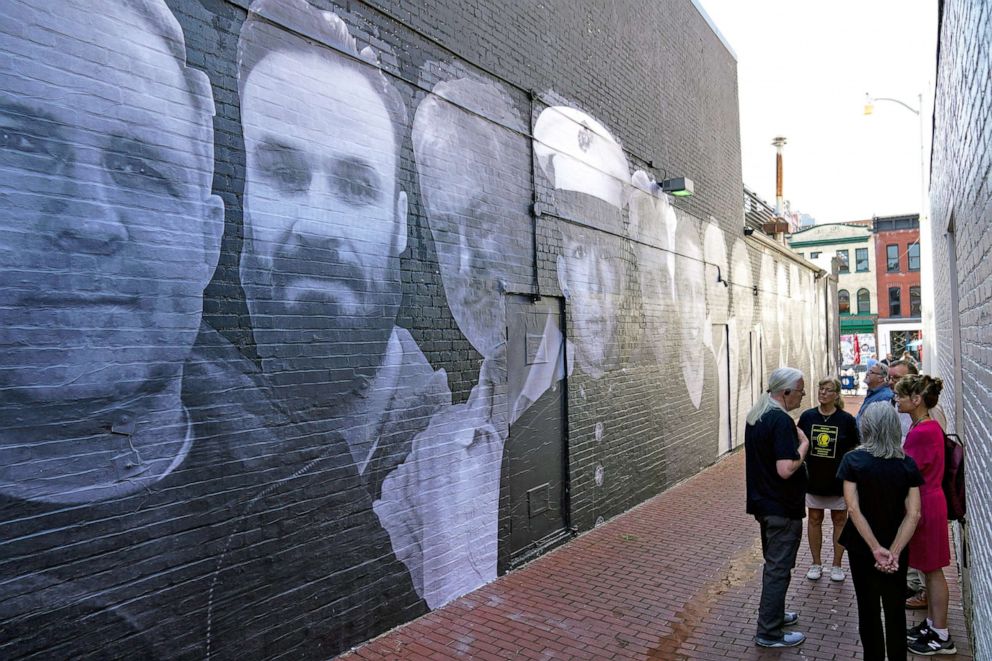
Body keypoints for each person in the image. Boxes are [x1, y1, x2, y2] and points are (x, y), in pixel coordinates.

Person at [837, 402, 922, 661]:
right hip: (897, 545)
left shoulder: (853, 461)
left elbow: (853, 509)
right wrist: (893, 551)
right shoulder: (907, 464)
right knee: (895, 608)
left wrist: (875, 549)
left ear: (868, 427)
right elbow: (914, 514)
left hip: (862, 547)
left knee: (868, 607)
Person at [744, 367, 809, 648]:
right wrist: (804, 445)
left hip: (764, 503)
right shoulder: (781, 421)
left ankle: (776, 615)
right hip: (781, 507)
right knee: (778, 569)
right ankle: (769, 632)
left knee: (775, 565)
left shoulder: (756, 417)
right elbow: (785, 469)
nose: (803, 398)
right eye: (800, 392)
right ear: (785, 392)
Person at [896, 375, 957, 655]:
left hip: (927, 505)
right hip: (929, 500)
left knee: (933, 571)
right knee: (928, 568)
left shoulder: (923, 431)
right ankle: (932, 623)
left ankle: (941, 635)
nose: (897, 400)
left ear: (916, 399)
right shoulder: (925, 426)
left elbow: (908, 471)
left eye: (901, 396)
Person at [798, 377, 859, 582]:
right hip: (814, 478)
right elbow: (799, 444)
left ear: (836, 395)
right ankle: (816, 563)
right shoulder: (807, 417)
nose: (823, 393)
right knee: (814, 518)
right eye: (821, 389)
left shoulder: (846, 420)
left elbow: (854, 449)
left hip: (838, 480)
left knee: (840, 520)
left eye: (828, 390)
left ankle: (837, 565)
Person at [857, 362, 893, 426]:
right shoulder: (873, 393)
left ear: (881, 378)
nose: (867, 373)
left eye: (871, 372)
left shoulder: (885, 396)